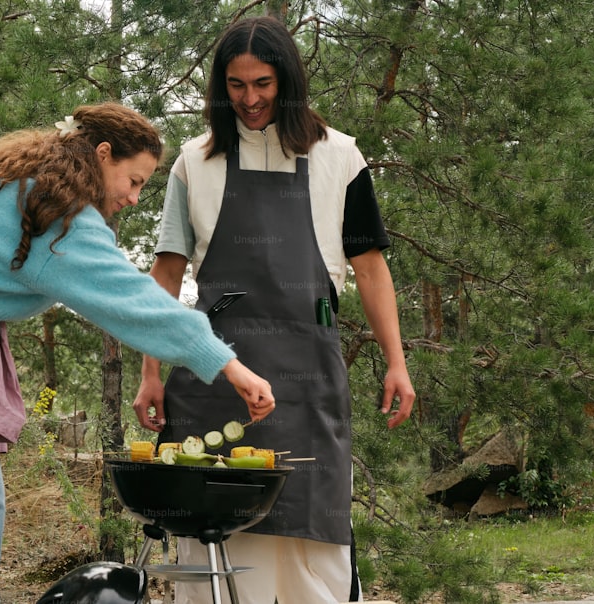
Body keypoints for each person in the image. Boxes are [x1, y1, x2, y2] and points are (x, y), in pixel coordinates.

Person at [0, 102, 276, 604]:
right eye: (134, 180)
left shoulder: (30, 183)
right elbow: (134, 300)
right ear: (103, 155)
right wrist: (229, 365)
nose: (134, 197)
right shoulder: (55, 212)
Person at [132, 17, 416, 604]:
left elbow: (369, 269)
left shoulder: (341, 157)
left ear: (287, 80)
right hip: (213, 376)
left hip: (307, 380)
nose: (251, 99)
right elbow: (166, 275)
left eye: (263, 83)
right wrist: (150, 371)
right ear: (220, 88)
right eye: (236, 86)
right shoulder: (193, 162)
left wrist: (396, 362)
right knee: (217, 542)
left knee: (312, 535)